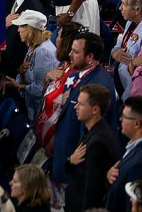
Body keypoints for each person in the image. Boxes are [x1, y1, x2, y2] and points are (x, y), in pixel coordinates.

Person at [52, 32, 116, 187]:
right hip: (67, 162)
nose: (70, 54)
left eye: (75, 51)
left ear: (90, 57)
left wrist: (74, 164)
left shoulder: (98, 85)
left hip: (77, 173)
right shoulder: (86, 75)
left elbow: (92, 132)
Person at [104, 96, 142, 212]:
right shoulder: (140, 144)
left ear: (137, 124)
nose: (120, 119)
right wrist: (109, 178)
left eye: (124, 117)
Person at [65, 84, 119, 212]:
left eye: (81, 104)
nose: (75, 107)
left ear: (95, 110)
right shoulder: (90, 131)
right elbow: (72, 169)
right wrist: (70, 161)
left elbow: (92, 192)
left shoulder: (97, 143)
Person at [2, 11, 59, 121]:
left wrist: (19, 86)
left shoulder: (43, 52)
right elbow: (27, 77)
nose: (18, 30)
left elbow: (42, 88)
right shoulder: (33, 47)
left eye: (21, 26)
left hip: (41, 113)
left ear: (31, 28)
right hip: (31, 108)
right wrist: (21, 73)